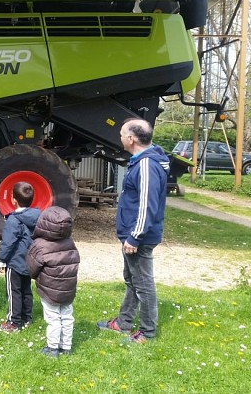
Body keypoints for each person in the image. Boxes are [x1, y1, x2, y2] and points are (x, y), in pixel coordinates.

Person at [98, 118, 169, 344]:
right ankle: (123, 322)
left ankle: (147, 333)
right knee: (132, 280)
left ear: (131, 138)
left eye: (121, 133)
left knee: (143, 284)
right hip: (132, 234)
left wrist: (134, 237)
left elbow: (147, 205)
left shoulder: (147, 165)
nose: (119, 137)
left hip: (139, 236)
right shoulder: (140, 161)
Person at [27, 206, 80, 358]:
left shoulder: (40, 245)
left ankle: (52, 348)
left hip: (49, 289)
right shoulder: (70, 242)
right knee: (67, 316)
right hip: (68, 288)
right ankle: (66, 346)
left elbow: (32, 268)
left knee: (53, 318)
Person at [0, 182, 41, 332]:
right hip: (29, 261)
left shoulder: (13, 219)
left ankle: (13, 322)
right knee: (26, 290)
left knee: (13, 291)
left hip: (14, 262)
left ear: (13, 199)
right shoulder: (37, 217)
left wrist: (1, 259)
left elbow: (8, 242)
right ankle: (26, 318)